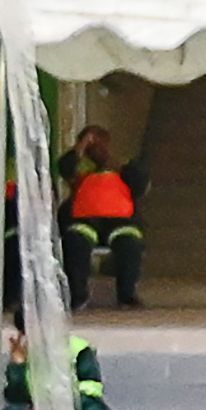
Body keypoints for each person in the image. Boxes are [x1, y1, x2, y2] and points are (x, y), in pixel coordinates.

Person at [3, 310, 115, 410]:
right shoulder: (25, 353)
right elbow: (15, 397)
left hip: (74, 408)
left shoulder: (77, 347)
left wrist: (63, 402)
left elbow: (92, 386)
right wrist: (18, 366)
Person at [57, 127, 146, 311]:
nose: (95, 147)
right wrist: (81, 148)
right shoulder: (80, 170)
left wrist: (110, 160)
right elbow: (65, 168)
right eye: (91, 143)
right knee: (75, 242)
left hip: (120, 222)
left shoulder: (121, 168)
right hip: (85, 221)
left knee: (130, 244)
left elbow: (140, 182)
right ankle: (77, 296)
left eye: (99, 142)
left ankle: (127, 296)